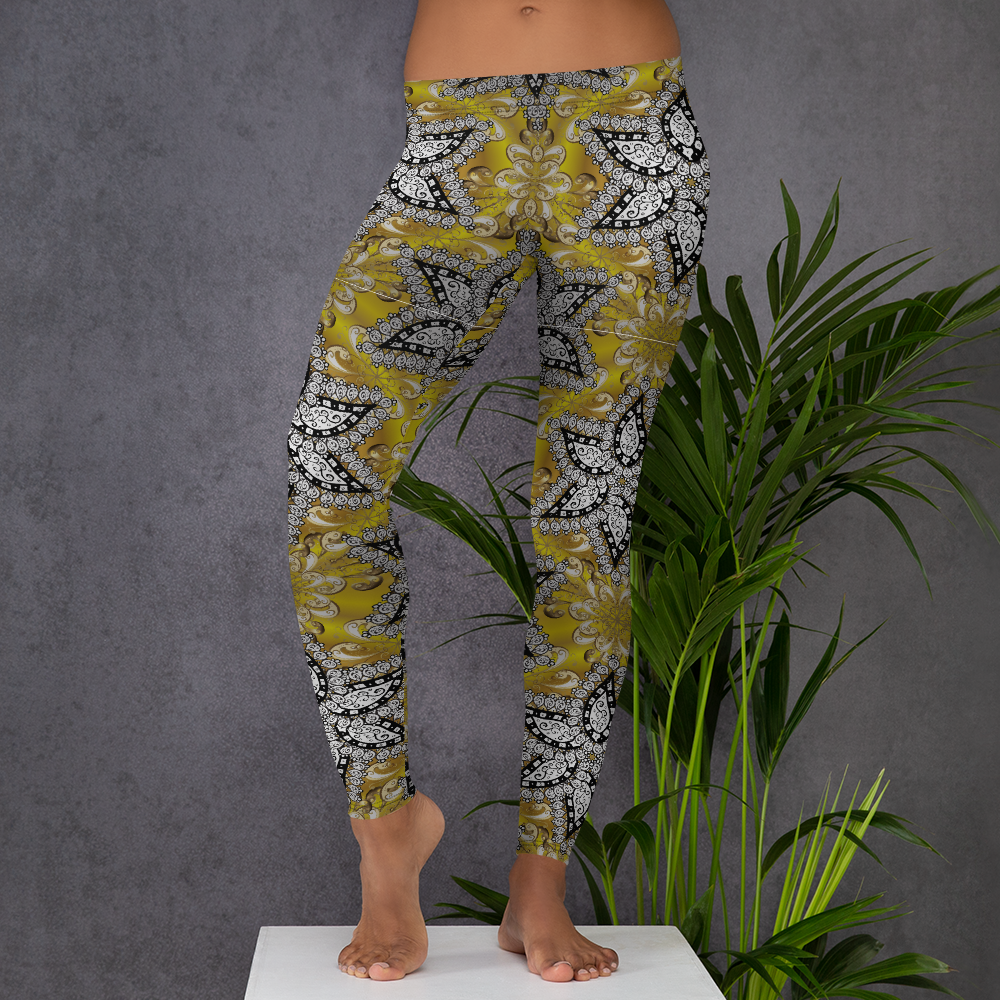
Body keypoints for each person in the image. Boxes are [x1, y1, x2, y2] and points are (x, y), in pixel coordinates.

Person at [285, 0, 709, 983]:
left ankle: (541, 877)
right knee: (330, 468)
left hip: (633, 125)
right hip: (455, 130)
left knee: (586, 512)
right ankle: (386, 828)